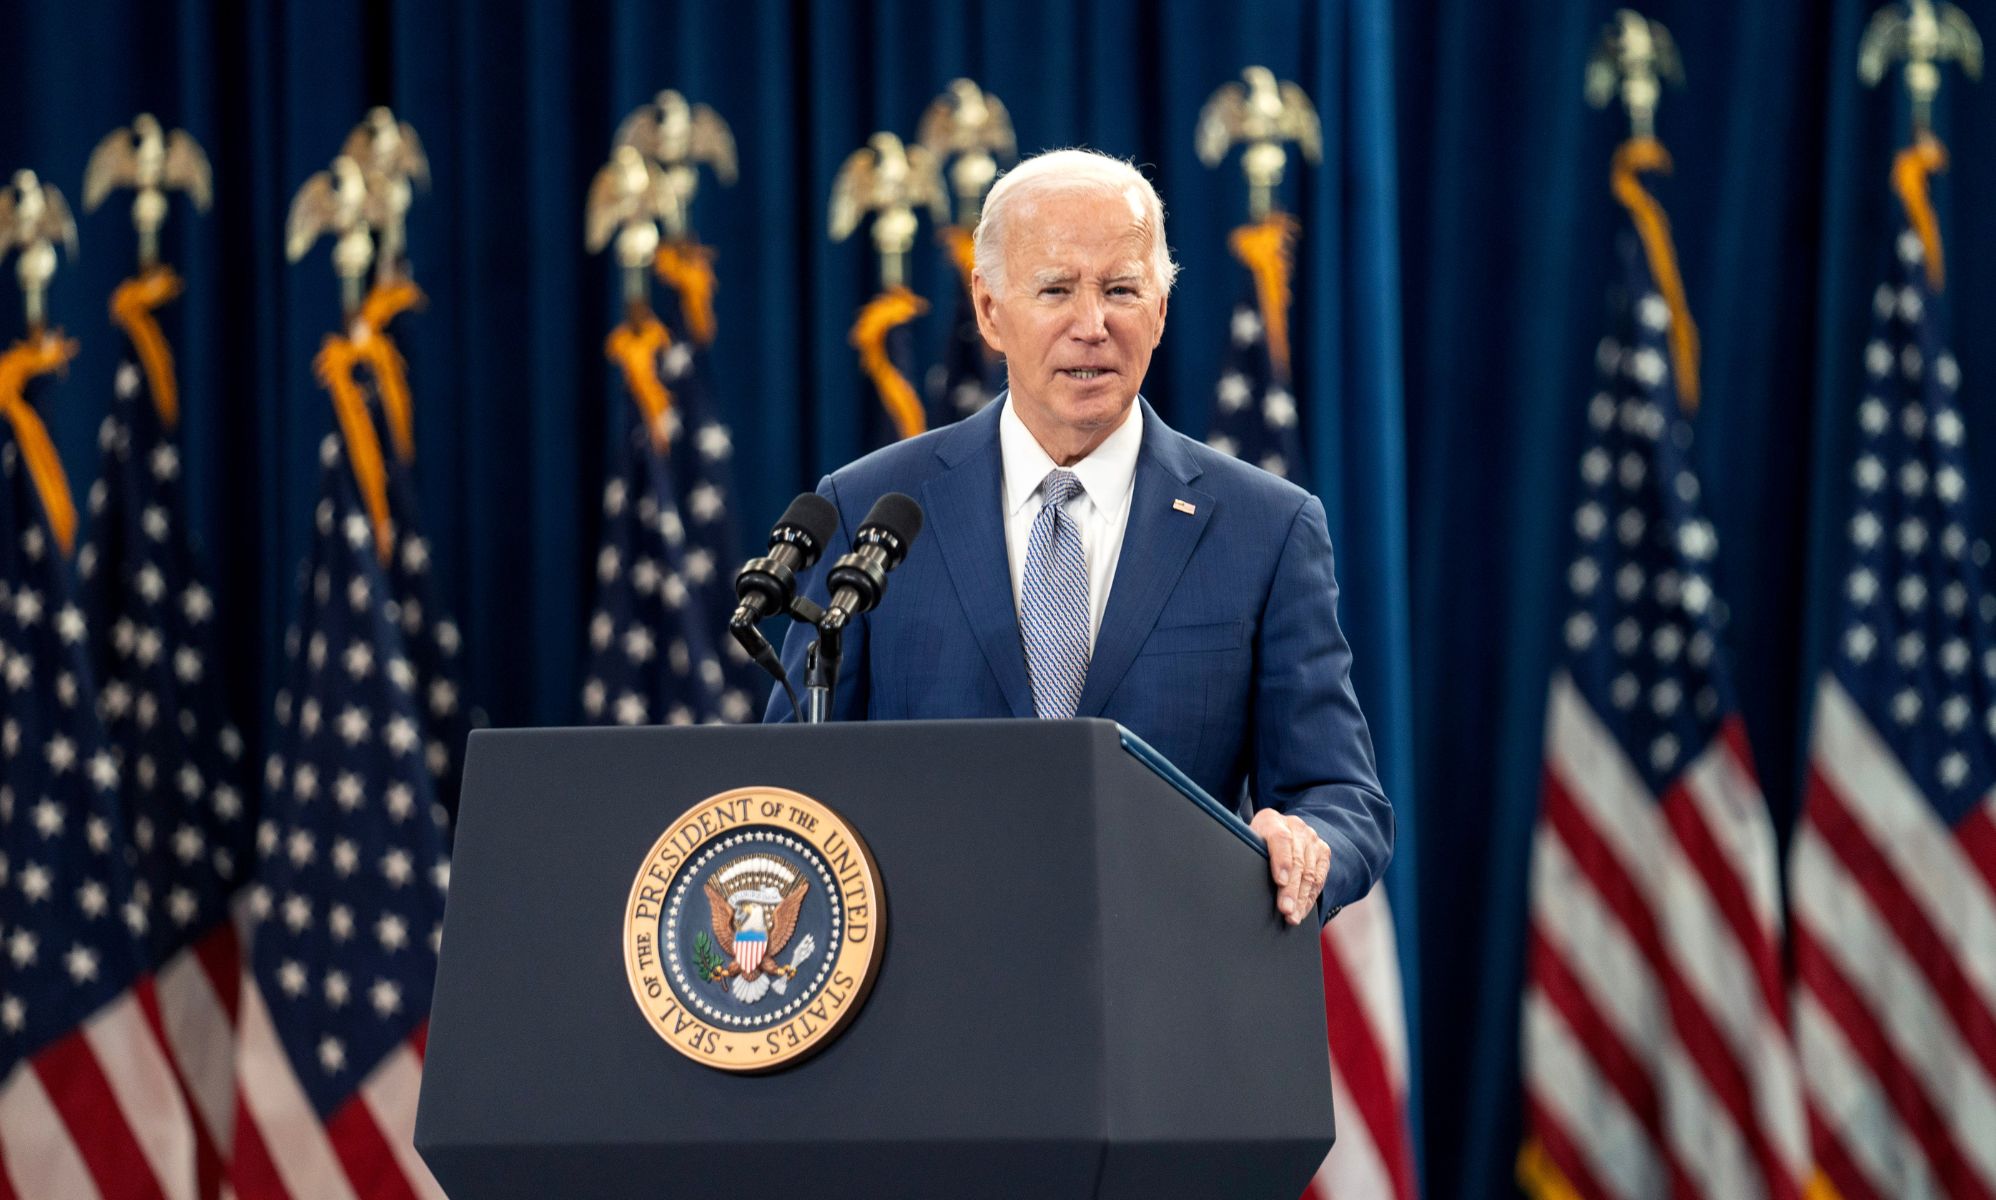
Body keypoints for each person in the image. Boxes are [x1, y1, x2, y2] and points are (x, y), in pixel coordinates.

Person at [766, 148, 1390, 924]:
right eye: (1056, 289)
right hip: (927, 994)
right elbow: (785, 790)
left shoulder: (1267, 528)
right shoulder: (869, 510)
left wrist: (1304, 840)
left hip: (1165, 994)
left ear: (1160, 310)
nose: (1091, 326)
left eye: (1122, 290)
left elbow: (1341, 794)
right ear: (990, 310)